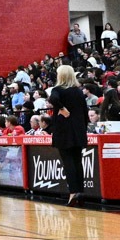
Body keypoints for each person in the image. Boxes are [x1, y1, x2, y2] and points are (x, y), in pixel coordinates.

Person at [47, 65, 90, 205]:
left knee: (68, 161)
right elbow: (85, 112)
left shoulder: (57, 90)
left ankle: (73, 193)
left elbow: (53, 99)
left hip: (64, 130)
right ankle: (80, 192)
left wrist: (62, 108)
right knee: (78, 161)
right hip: (78, 130)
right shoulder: (78, 91)